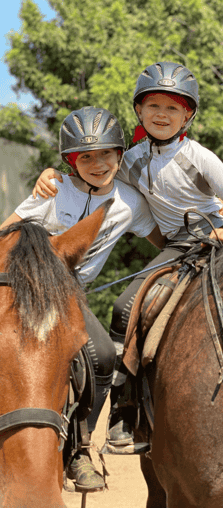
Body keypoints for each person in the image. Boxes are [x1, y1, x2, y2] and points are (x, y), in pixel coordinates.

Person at [32, 62, 223, 454]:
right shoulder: (130, 159)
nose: (161, 115)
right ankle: (126, 410)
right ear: (138, 110)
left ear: (188, 114)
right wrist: (52, 171)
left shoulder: (200, 156)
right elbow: (92, 172)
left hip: (220, 240)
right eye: (153, 105)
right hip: (177, 245)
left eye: (173, 108)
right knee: (124, 308)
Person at [0, 106, 165, 485]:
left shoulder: (130, 202)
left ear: (120, 155)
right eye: (85, 156)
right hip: (31, 293)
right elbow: (6, 232)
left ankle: (78, 448)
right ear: (70, 161)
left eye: (106, 153)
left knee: (104, 355)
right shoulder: (54, 188)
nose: (97, 163)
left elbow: (162, 239)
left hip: (72, 295)